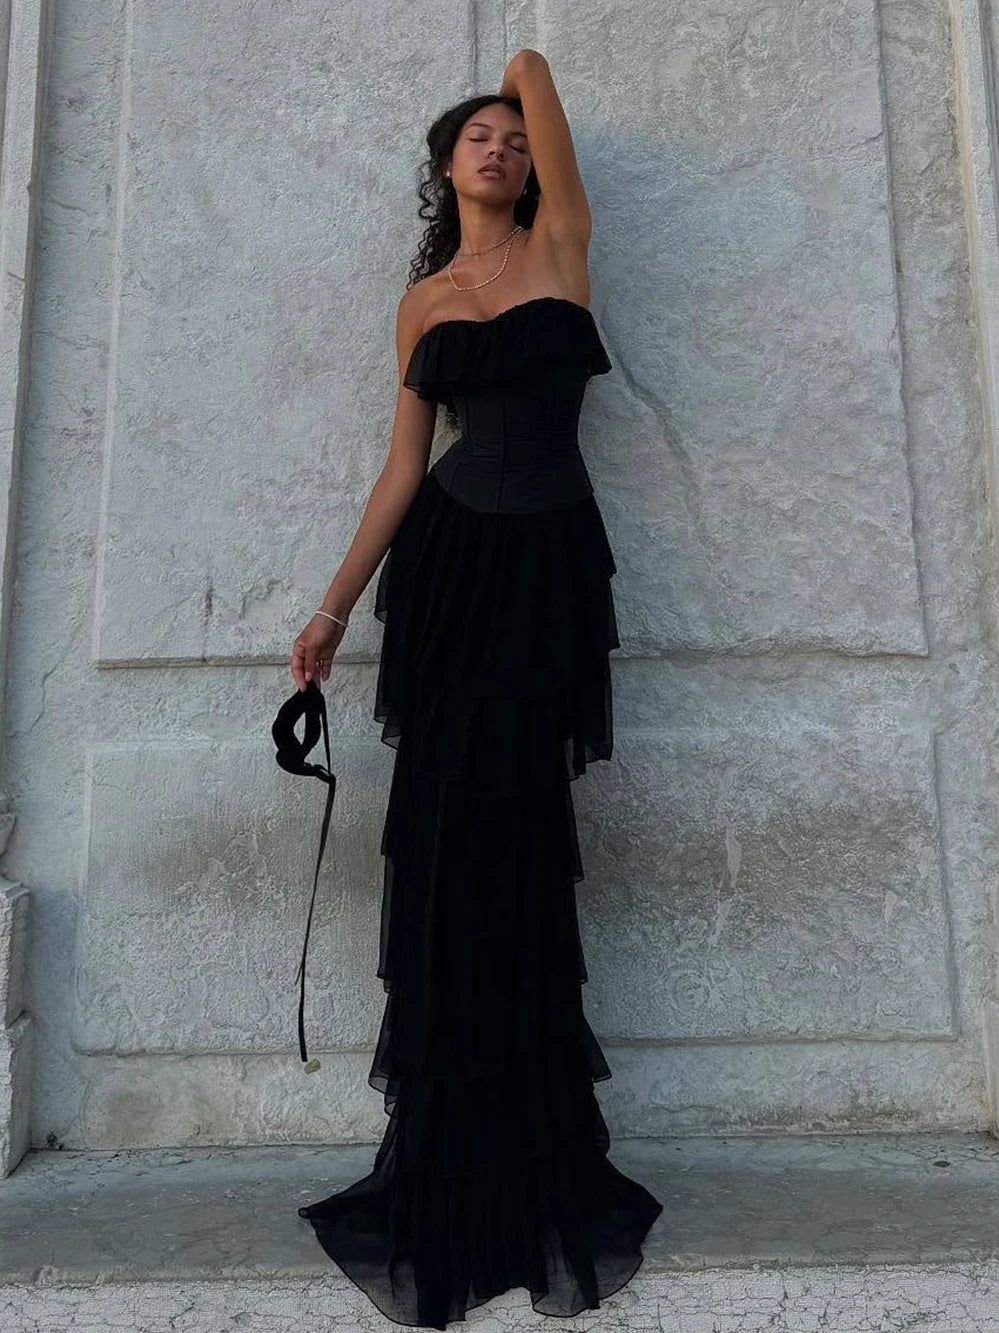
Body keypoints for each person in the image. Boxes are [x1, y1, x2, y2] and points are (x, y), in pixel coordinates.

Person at [289, 48, 663, 1331]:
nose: (499, 146)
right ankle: (452, 1158)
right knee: (450, 844)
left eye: (511, 137)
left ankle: (534, 1151)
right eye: (475, 138)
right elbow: (403, 468)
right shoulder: (423, 302)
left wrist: (516, 80)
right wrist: (331, 610)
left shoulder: (562, 243)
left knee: (522, 841)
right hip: (449, 573)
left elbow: (536, 70)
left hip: (545, 576)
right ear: (444, 170)